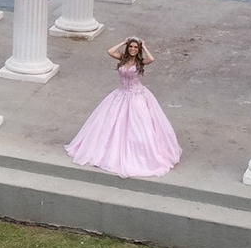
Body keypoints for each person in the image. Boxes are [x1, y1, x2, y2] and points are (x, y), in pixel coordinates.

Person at [65, 37, 181, 178]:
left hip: (137, 96)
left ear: (138, 50)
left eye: (135, 47)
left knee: (139, 126)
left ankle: (142, 154)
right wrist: (123, 42)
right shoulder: (122, 58)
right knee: (112, 124)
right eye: (131, 47)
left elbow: (151, 59)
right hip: (121, 94)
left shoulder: (139, 62)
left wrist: (144, 46)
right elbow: (110, 51)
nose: (133, 49)